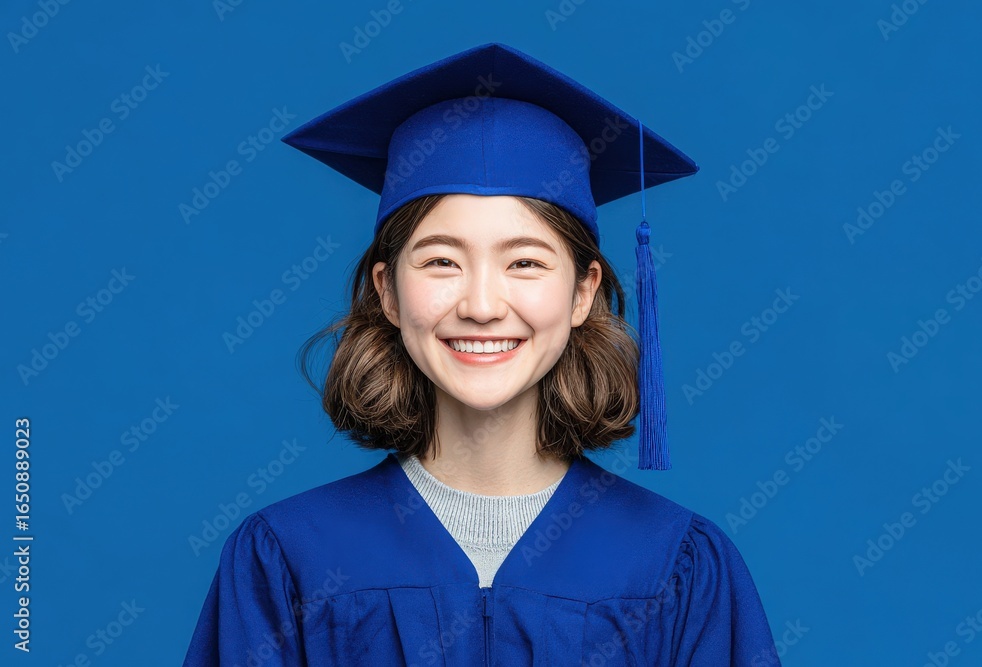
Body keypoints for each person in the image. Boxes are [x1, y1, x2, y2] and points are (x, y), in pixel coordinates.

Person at [182, 42, 781, 666]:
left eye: (525, 262)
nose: (482, 304)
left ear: (583, 292)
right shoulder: (288, 559)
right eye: (441, 261)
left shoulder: (676, 565)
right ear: (388, 291)